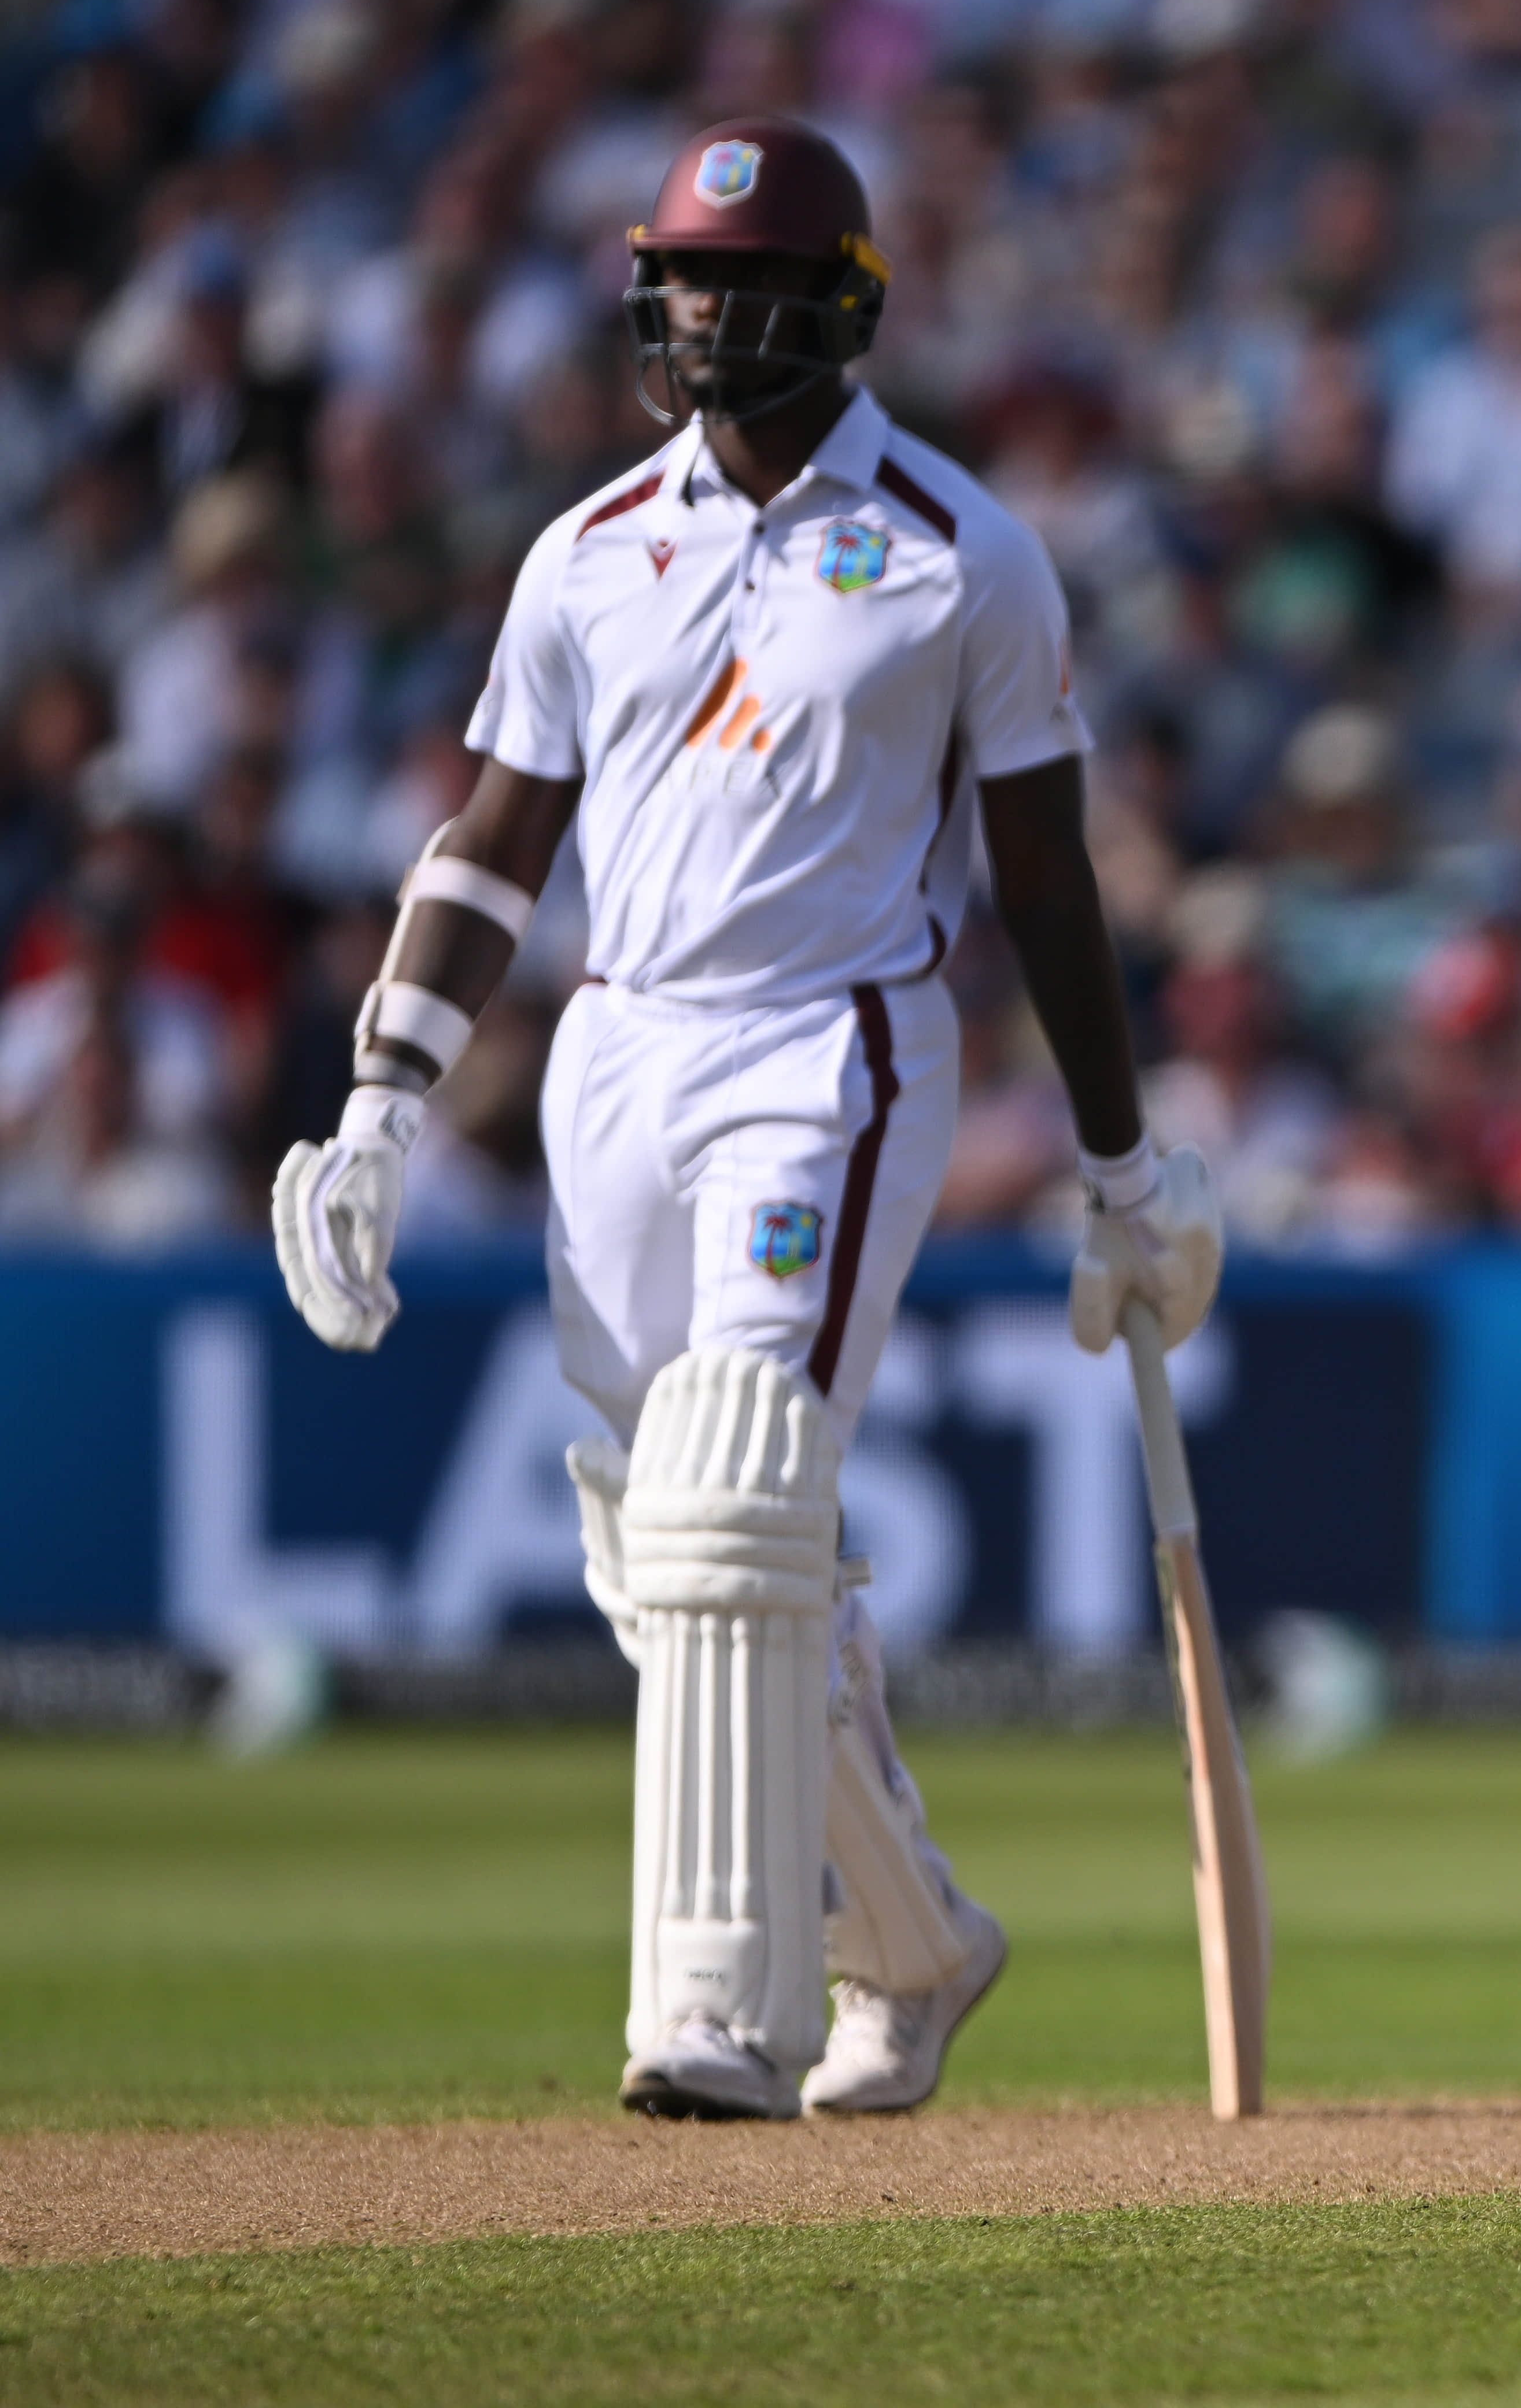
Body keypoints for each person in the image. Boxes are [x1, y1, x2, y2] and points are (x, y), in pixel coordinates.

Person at [268, 117, 1220, 2121]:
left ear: (839, 305)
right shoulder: (589, 547)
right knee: (663, 1547)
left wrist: (1122, 1167)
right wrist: (385, 1099)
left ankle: (715, 2010)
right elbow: (491, 848)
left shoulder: (965, 552)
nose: (700, 315)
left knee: (735, 1485)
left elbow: (1046, 881)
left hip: (832, 1048)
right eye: (679, 280)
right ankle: (920, 1942)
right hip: (618, 1054)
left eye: (740, 279)